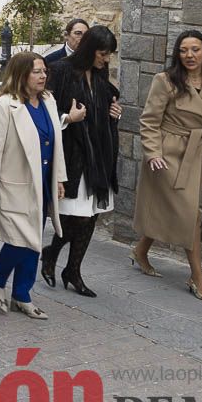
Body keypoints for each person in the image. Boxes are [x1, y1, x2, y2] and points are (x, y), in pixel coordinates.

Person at [132, 30, 202, 304]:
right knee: (191, 215)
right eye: (183, 50)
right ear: (177, 53)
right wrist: (153, 152)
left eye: (195, 49)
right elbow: (149, 120)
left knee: (178, 209)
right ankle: (197, 277)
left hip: (195, 154)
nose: (189, 55)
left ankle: (140, 250)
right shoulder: (165, 81)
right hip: (165, 155)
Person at [0, 52, 68, 320]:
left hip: (42, 184)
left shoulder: (49, 101)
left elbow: (56, 143)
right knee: (20, 241)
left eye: (44, 71)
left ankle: (22, 294)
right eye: (36, 72)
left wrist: (60, 178)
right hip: (13, 186)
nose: (42, 76)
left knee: (34, 242)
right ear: (20, 75)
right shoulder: (4, 105)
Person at [42, 26, 122, 297]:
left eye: (109, 54)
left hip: (97, 155)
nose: (106, 59)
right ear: (90, 49)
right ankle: (52, 253)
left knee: (90, 217)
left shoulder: (100, 74)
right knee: (74, 217)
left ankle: (72, 270)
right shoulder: (62, 70)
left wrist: (114, 112)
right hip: (72, 156)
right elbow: (46, 109)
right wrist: (69, 118)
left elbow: (105, 103)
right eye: (102, 53)